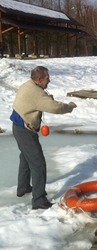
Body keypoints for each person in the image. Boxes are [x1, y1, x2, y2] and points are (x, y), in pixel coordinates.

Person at [10, 66, 77, 209]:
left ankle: (23, 188)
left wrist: (46, 99)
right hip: (24, 130)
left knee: (26, 158)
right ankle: (39, 200)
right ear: (39, 80)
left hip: (18, 126)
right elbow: (55, 107)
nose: (50, 80)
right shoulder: (36, 93)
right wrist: (69, 106)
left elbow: (40, 100)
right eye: (47, 78)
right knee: (38, 163)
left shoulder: (27, 85)